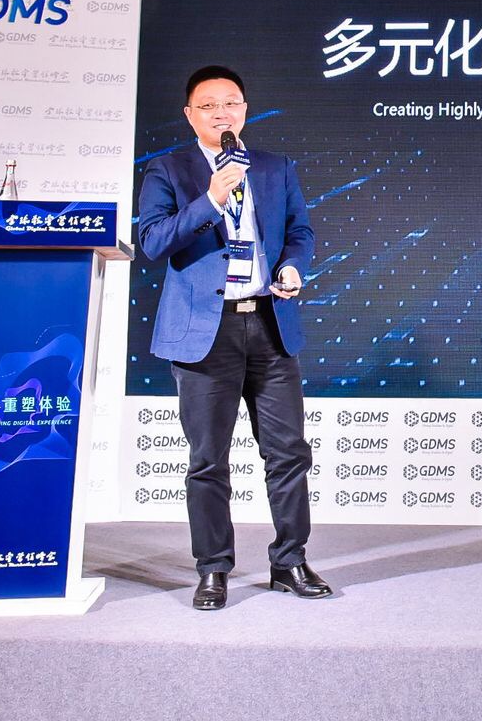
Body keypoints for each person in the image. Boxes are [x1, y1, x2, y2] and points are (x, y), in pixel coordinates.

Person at [136, 65, 330, 609]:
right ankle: (213, 569)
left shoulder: (275, 167)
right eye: (209, 106)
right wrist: (212, 198)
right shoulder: (168, 169)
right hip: (205, 332)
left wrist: (292, 267)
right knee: (208, 459)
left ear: (244, 109)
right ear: (190, 115)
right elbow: (154, 241)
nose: (222, 113)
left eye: (231, 103)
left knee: (288, 453)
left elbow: (300, 232)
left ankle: (289, 561)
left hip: (269, 324)